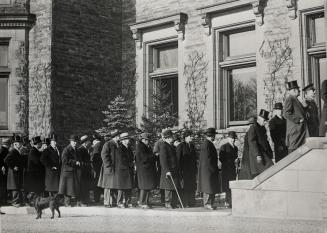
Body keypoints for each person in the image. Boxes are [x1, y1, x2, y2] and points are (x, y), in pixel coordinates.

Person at [241, 110, 274, 179]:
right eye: (264, 120)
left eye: (266, 121)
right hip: (258, 155)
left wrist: (270, 152)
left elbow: (266, 142)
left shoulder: (262, 128)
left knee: (269, 168)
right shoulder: (253, 128)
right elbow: (252, 142)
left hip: (264, 153)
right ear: (259, 118)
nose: (265, 122)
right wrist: (257, 155)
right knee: (269, 167)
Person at [197, 128, 220, 210]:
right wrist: (213, 168)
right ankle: (207, 204)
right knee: (208, 187)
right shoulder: (207, 144)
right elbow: (208, 159)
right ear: (211, 135)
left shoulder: (208, 143)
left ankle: (210, 203)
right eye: (214, 135)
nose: (215, 136)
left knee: (211, 186)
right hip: (208, 170)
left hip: (210, 169)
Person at [284, 80, 308, 153]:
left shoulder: (295, 99)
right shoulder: (290, 99)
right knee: (293, 154)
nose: (299, 91)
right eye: (298, 89)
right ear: (294, 90)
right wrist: (298, 120)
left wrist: (305, 107)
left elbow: (299, 112)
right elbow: (286, 113)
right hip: (295, 133)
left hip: (299, 132)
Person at [98, 130, 120, 207]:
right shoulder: (108, 144)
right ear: (114, 137)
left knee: (114, 185)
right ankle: (106, 202)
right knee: (108, 186)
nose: (119, 137)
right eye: (117, 136)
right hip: (109, 168)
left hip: (115, 168)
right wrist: (108, 165)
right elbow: (104, 155)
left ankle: (113, 202)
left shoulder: (117, 144)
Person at [159, 129, 181, 209]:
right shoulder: (164, 146)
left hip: (174, 170)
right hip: (168, 171)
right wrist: (167, 170)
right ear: (168, 138)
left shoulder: (170, 146)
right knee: (168, 187)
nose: (173, 138)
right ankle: (168, 203)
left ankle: (173, 203)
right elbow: (163, 160)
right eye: (171, 136)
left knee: (173, 187)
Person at [58, 135, 81, 207]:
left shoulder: (75, 149)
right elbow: (64, 160)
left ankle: (70, 202)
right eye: (73, 141)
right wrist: (75, 162)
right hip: (67, 172)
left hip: (72, 171)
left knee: (71, 188)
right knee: (67, 188)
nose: (75, 143)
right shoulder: (67, 149)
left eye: (76, 142)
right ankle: (67, 203)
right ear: (70, 141)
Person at [135, 133, 157, 208]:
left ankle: (146, 202)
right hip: (143, 169)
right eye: (147, 140)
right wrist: (153, 156)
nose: (149, 141)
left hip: (147, 169)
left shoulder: (145, 146)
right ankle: (142, 202)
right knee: (144, 187)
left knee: (147, 186)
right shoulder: (140, 146)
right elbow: (144, 158)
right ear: (143, 140)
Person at [176, 130, 197, 208]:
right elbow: (178, 159)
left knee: (191, 186)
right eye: (190, 136)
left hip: (191, 171)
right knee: (184, 187)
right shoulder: (181, 146)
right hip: (183, 171)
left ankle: (191, 202)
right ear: (185, 137)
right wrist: (179, 170)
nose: (192, 137)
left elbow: (194, 158)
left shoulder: (192, 146)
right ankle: (184, 203)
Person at [219, 131, 238, 208]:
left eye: (234, 138)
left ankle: (231, 202)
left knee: (232, 185)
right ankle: (227, 202)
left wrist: (237, 161)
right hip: (226, 169)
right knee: (227, 186)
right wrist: (231, 161)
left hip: (233, 169)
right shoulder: (224, 147)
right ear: (228, 138)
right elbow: (221, 158)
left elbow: (236, 157)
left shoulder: (235, 148)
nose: (233, 140)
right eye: (231, 138)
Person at [4, 135, 24, 207]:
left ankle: (18, 201)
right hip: (13, 173)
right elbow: (6, 160)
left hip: (16, 173)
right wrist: (13, 166)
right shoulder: (13, 151)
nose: (20, 144)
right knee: (15, 187)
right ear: (15, 144)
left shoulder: (17, 151)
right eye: (19, 143)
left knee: (17, 186)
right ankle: (15, 202)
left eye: (20, 143)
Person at [116, 132, 134, 208]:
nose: (128, 141)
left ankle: (128, 202)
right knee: (121, 187)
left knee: (129, 186)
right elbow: (121, 160)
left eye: (128, 139)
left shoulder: (129, 148)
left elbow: (132, 158)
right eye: (126, 139)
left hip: (129, 170)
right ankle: (119, 202)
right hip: (122, 170)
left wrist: (132, 164)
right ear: (122, 141)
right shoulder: (120, 148)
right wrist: (130, 164)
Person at [77, 135, 93, 206]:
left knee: (86, 186)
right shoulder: (81, 149)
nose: (89, 142)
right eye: (88, 141)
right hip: (82, 171)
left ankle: (85, 200)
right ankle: (81, 201)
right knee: (82, 186)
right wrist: (87, 165)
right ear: (84, 142)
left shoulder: (86, 149)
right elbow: (80, 161)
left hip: (86, 171)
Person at [90, 134, 103, 203]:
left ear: (95, 140)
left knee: (96, 183)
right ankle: (98, 198)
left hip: (96, 168)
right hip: (99, 167)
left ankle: (96, 199)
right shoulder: (100, 144)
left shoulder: (97, 146)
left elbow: (95, 157)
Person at [0, 138, 11, 214]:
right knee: (3, 187)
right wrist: (2, 167)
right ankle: (4, 201)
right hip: (3, 172)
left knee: (4, 187)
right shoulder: (3, 150)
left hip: (4, 171)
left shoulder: (3, 149)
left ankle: (4, 200)